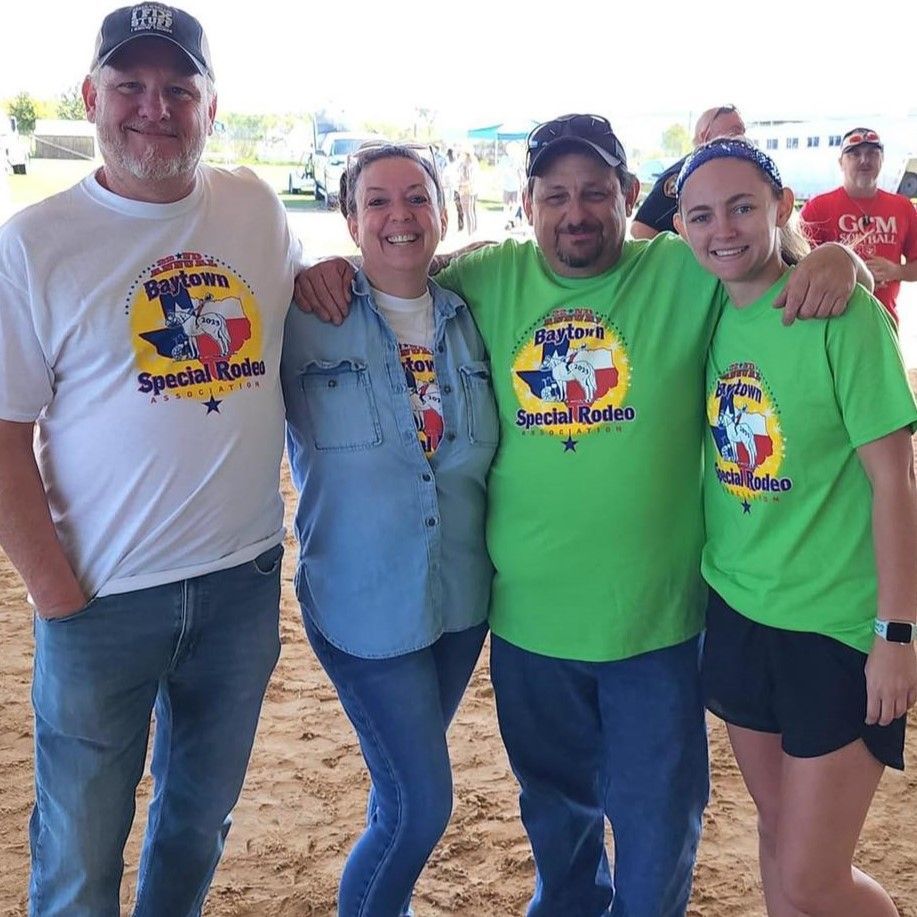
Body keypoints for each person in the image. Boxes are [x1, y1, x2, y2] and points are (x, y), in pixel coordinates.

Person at [294, 113, 866, 916]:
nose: (575, 211)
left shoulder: (680, 271)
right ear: (526, 202)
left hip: (656, 625)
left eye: (595, 192)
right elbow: (398, 273)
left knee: (656, 827)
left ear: (628, 195)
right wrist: (327, 268)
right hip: (527, 626)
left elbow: (766, 262)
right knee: (556, 824)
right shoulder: (485, 279)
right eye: (555, 194)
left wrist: (838, 256)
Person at [0, 5, 299, 914]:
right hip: (100, 599)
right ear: (92, 96)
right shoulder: (35, 241)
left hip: (240, 584)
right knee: (82, 841)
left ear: (212, 104)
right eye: (129, 86)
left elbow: (343, 285)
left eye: (179, 88)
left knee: (196, 821)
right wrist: (56, 591)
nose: (154, 108)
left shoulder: (254, 206)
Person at [674, 136, 917, 916]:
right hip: (741, 612)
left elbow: (896, 480)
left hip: (837, 628)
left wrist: (896, 633)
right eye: (702, 214)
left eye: (742, 206)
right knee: (778, 833)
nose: (723, 229)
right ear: (680, 226)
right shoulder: (705, 305)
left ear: (781, 206)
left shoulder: (839, 316)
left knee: (816, 874)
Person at [282, 143, 497, 916]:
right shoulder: (300, 313)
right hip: (360, 604)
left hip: (457, 601)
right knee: (419, 805)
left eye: (416, 198)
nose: (399, 215)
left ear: (443, 212)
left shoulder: (475, 315)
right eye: (377, 200)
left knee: (398, 786)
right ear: (349, 219)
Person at [800, 127, 917, 324]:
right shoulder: (818, 208)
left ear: (882, 159)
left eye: (873, 152)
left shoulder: (902, 207)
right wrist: (856, 276)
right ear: (841, 162)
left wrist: (895, 271)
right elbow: (796, 267)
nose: (864, 159)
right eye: (854, 153)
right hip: (831, 325)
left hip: (884, 322)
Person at [631, 104, 746, 239]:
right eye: (734, 133)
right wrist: (686, 257)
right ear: (705, 137)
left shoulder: (740, 175)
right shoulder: (683, 176)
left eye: (743, 133)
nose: (742, 139)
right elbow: (640, 229)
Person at [457, 146, 479, 235]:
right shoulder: (473, 163)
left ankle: (470, 232)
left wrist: (460, 184)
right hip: (473, 189)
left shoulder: (466, 165)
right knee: (472, 211)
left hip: (467, 189)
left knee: (468, 212)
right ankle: (473, 230)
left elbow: (468, 179)